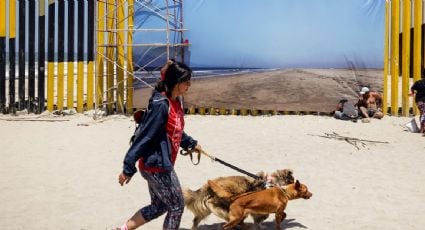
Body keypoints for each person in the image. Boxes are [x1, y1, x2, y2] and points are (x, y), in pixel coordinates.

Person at [116, 60, 202, 230]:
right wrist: (128, 167)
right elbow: (145, 136)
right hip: (157, 166)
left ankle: (123, 229)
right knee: (177, 206)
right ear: (176, 83)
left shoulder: (175, 102)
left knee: (160, 206)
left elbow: (174, 131)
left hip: (158, 164)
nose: (189, 85)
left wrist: (191, 143)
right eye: (186, 81)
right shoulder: (161, 105)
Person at [410, 70, 425, 134]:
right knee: (423, 114)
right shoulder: (418, 82)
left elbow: (412, 88)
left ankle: (422, 129)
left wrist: (413, 93)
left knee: (422, 114)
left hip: (419, 101)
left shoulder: (418, 82)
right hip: (421, 101)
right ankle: (422, 129)